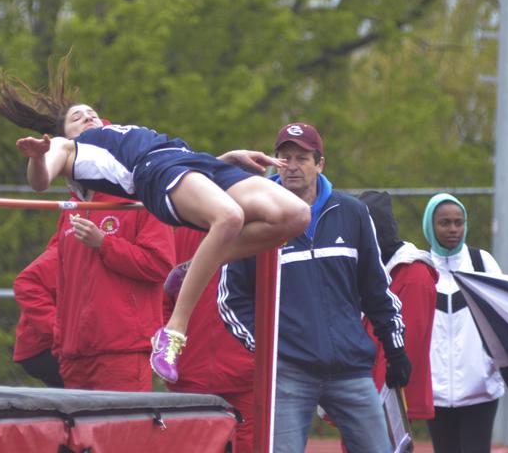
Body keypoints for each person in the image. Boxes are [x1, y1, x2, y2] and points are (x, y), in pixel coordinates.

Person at [0, 56, 309, 383]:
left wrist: (228, 159)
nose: (88, 116)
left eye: (91, 113)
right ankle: (172, 333)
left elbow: (186, 178)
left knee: (294, 216)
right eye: (77, 117)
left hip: (191, 161)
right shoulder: (69, 147)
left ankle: (191, 268)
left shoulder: (119, 134)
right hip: (154, 172)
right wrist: (36, 158)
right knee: (229, 217)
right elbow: (41, 179)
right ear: (64, 133)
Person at [219, 122, 409, 452]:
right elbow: (232, 299)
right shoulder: (253, 218)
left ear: (319, 163)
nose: (292, 166)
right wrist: (267, 350)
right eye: (284, 157)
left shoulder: (352, 213)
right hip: (288, 373)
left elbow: (376, 289)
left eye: (302, 158)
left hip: (352, 370)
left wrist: (395, 348)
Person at [49, 187, 174, 391]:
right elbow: (63, 282)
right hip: (73, 356)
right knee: (79, 424)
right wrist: (60, 341)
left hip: (123, 352)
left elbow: (160, 265)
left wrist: (104, 243)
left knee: (124, 422)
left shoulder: (143, 202)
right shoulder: (71, 208)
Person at [422, 193, 504, 453]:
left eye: (459, 222)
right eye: (444, 222)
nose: (453, 229)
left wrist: (493, 364)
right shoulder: (419, 268)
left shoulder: (482, 263)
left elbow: (503, 319)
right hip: (435, 393)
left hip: (481, 388)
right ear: (430, 226)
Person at [164, 226, 255, 452]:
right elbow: (163, 297)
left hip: (247, 375)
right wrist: (170, 351)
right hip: (192, 372)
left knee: (252, 446)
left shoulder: (259, 231)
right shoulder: (182, 233)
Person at [359, 191, 438, 421]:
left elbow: (406, 343)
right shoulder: (366, 265)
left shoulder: (414, 275)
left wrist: (375, 398)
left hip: (387, 394)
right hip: (361, 387)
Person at [12, 237, 63, 388]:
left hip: (56, 345)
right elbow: (25, 283)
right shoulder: (63, 253)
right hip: (44, 348)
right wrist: (62, 332)